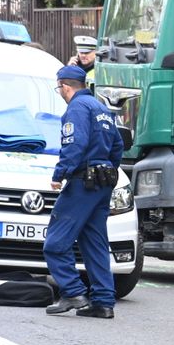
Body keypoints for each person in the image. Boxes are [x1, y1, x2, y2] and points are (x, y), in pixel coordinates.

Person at [43, 65, 124, 319]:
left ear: (65, 86)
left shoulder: (76, 108)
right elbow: (118, 146)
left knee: (55, 244)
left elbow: (74, 144)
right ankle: (103, 302)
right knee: (94, 242)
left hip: (82, 182)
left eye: (59, 89)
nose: (60, 93)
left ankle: (73, 292)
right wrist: (107, 169)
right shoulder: (102, 109)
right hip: (102, 182)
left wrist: (60, 175)